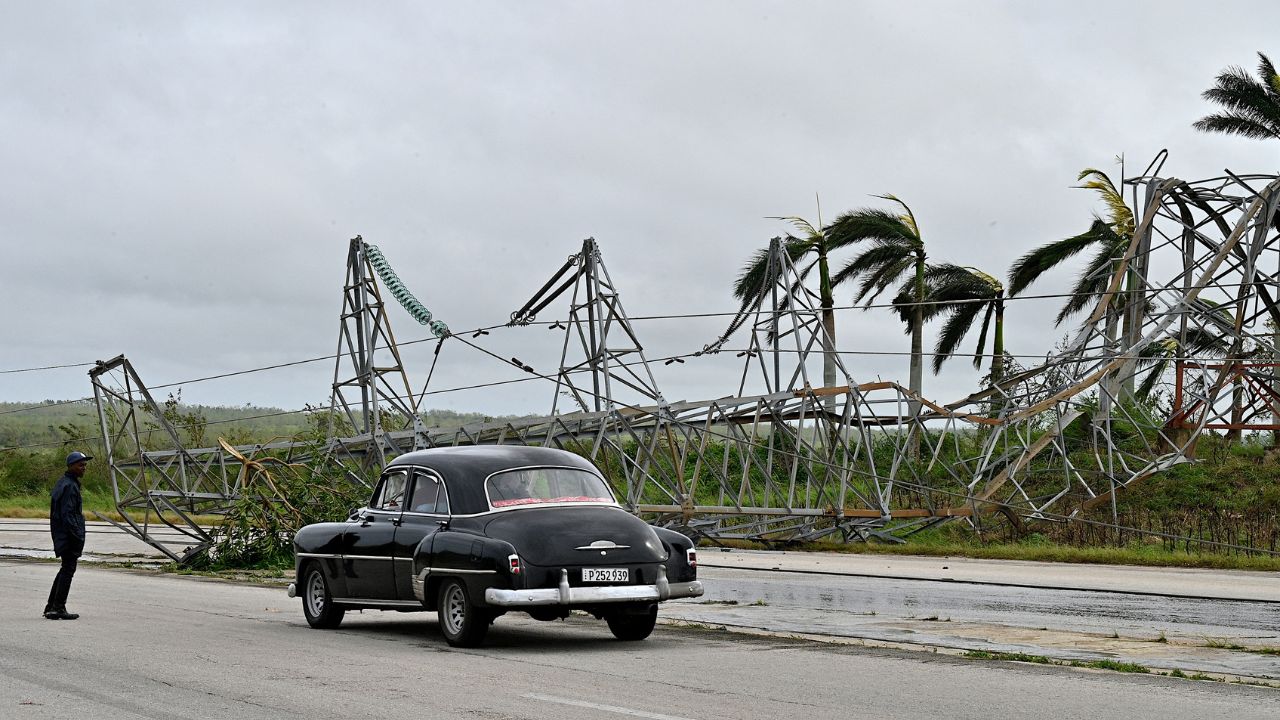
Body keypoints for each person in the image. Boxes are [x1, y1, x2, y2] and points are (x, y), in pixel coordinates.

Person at [45, 451, 90, 620]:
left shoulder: (64, 483)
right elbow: (68, 515)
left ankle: (51, 606)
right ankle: (58, 608)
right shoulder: (70, 486)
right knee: (68, 569)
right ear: (71, 466)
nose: (83, 468)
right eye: (80, 465)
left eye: (85, 465)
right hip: (68, 536)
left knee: (65, 568)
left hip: (62, 534)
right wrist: (77, 536)